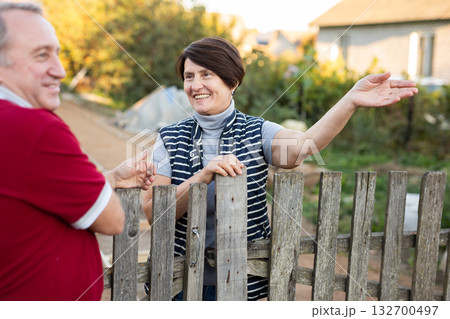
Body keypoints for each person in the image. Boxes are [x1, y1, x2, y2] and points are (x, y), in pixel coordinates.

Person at [142, 36, 418, 300]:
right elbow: (155, 211)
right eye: (189, 76)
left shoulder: (258, 131)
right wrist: (203, 176)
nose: (195, 85)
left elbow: (303, 146)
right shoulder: (169, 137)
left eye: (206, 75)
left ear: (232, 81)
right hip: (178, 278)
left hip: (241, 279)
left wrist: (350, 101)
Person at [0, 2, 156, 301]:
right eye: (41, 54)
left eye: (56, 53)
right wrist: (102, 187)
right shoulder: (35, 128)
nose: (59, 70)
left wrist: (109, 177)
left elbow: (34, 187)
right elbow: (112, 220)